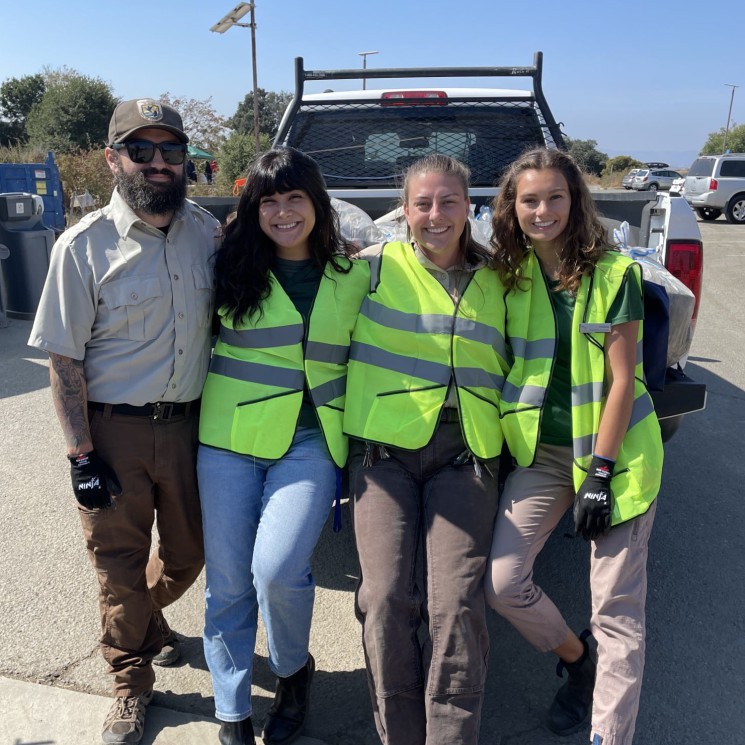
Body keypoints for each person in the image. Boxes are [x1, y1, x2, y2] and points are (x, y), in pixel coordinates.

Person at [28, 98, 221, 745]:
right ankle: (130, 684)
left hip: (193, 427)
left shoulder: (206, 233)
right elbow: (63, 360)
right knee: (118, 563)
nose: (159, 163)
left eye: (171, 150)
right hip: (114, 431)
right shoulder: (80, 247)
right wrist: (81, 454)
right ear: (114, 159)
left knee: (189, 556)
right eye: (142, 150)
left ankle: (141, 620)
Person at [484, 147, 663, 745]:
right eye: (529, 200)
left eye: (555, 197)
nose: (542, 210)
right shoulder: (508, 276)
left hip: (614, 457)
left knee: (615, 612)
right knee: (504, 585)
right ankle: (576, 660)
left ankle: (609, 735)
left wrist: (602, 474)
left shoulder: (615, 275)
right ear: (511, 207)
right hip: (545, 455)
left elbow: (619, 381)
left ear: (575, 200)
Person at [197, 147, 369, 745]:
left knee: (276, 570)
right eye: (269, 200)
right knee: (228, 582)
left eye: (295, 197)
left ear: (318, 204)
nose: (283, 211)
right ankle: (232, 709)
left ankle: (293, 671)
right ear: (254, 208)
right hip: (228, 442)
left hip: (312, 444)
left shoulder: (357, 276)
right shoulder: (228, 265)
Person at [344, 154, 511, 745]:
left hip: (465, 456)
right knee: (387, 598)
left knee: (457, 606)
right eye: (422, 203)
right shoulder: (366, 268)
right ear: (404, 209)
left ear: (470, 208)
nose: (435, 215)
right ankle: (400, 733)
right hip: (383, 456)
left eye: (448, 202)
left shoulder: (504, 277)